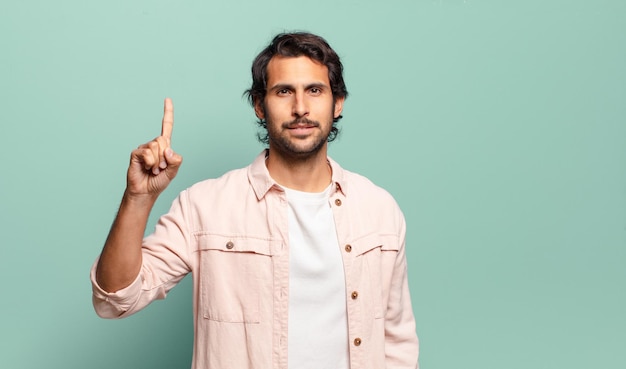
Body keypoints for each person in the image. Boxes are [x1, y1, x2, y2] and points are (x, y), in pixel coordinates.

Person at [91, 32, 419, 369]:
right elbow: (115, 299)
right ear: (260, 105)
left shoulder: (379, 210)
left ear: (338, 103)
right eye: (283, 91)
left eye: (315, 90)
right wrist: (138, 198)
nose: (301, 108)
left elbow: (396, 341)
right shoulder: (205, 206)